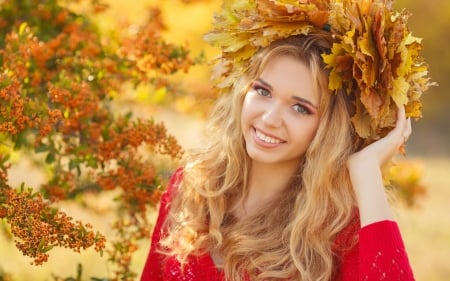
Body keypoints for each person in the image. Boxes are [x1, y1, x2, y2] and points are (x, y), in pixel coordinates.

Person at [141, 1, 424, 280]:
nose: (270, 118)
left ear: (328, 129)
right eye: (263, 91)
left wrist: (366, 170)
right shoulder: (191, 187)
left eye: (300, 108)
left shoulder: (340, 233)